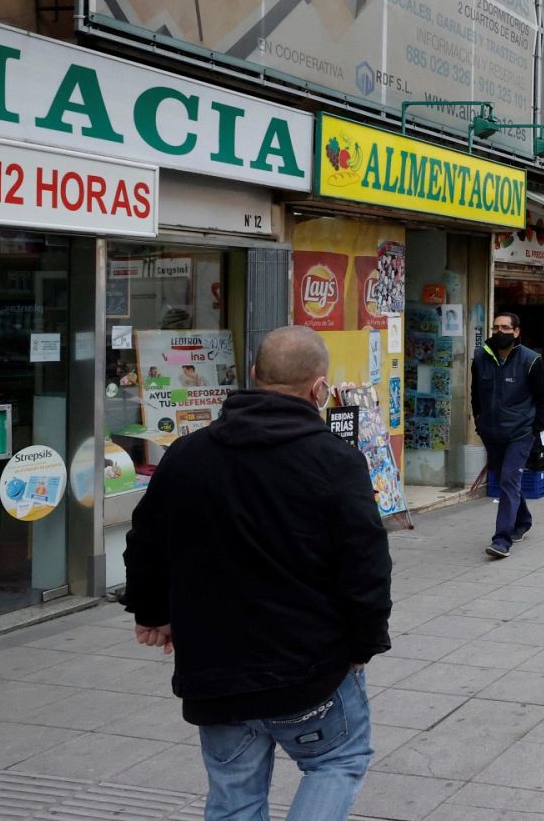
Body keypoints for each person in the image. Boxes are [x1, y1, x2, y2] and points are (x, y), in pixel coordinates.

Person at [123, 325, 391, 821]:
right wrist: (363, 646)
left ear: (252, 376)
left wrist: (153, 611)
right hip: (308, 670)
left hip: (215, 672)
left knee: (234, 797)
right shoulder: (335, 461)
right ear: (319, 389)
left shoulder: (187, 455)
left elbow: (145, 543)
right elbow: (367, 568)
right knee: (337, 760)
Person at [471, 312, 544, 559]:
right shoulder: (481, 358)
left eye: (505, 328)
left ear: (516, 332)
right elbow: (475, 395)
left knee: (507, 480)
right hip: (492, 432)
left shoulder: (530, 360)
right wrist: (480, 422)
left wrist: (535, 429)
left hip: (520, 432)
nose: (499, 332)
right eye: (496, 327)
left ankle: (501, 540)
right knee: (508, 480)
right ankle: (523, 519)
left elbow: (543, 399)